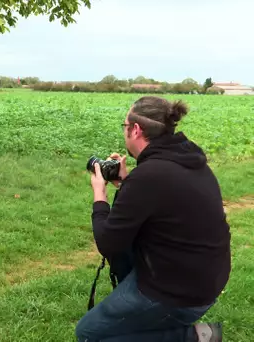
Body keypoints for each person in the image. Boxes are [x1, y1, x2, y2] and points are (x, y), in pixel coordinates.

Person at [75, 96, 230, 342]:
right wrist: (126, 185)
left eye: (125, 126)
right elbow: (160, 204)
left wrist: (99, 194)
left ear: (136, 130)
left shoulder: (149, 176)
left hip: (181, 293)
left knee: (89, 333)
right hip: (206, 276)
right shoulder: (187, 158)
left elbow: (108, 243)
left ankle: (196, 337)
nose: (125, 131)